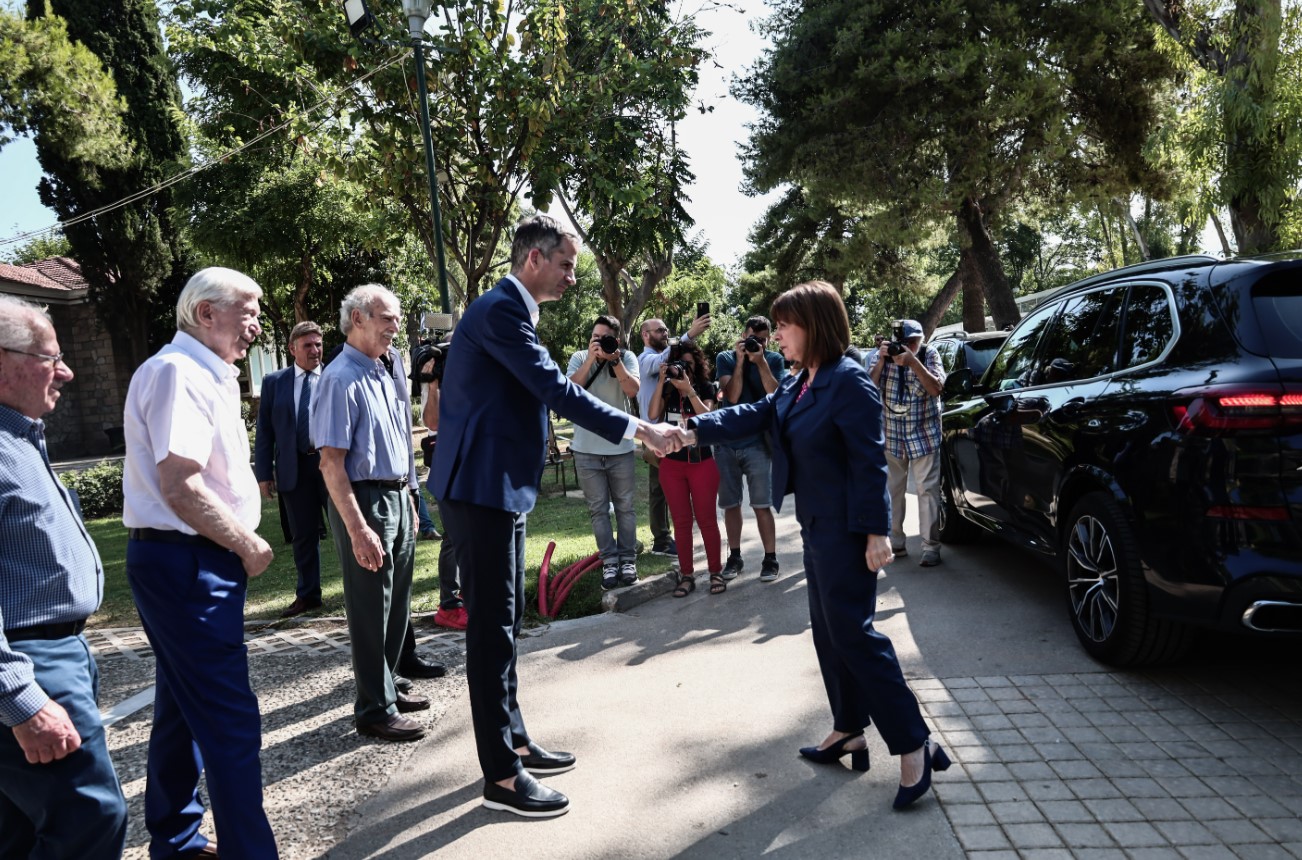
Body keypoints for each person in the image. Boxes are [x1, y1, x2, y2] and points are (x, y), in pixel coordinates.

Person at [431, 215, 679, 818]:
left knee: (507, 622)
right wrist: (641, 428)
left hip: (499, 488)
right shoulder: (500, 311)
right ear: (534, 259)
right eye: (566, 265)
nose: (572, 277)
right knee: (491, 631)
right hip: (479, 490)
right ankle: (501, 776)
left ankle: (514, 740)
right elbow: (557, 391)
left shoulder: (511, 312)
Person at [680, 281, 950, 810]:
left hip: (848, 530)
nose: (777, 334)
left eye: (785, 325)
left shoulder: (848, 380)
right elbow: (754, 414)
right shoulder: (801, 381)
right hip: (818, 525)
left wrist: (877, 532)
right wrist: (691, 431)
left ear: (815, 326)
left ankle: (913, 741)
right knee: (829, 633)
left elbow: (869, 460)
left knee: (855, 635)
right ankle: (848, 729)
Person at [122, 267, 278, 857]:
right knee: (229, 719)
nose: (256, 325)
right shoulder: (179, 373)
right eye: (248, 311)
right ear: (205, 313)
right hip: (189, 561)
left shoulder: (201, 372)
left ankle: (177, 837)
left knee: (181, 708)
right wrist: (247, 543)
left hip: (186, 559)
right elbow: (181, 486)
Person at [0, 296, 128, 859]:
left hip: (57, 651)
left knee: (18, 831)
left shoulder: (19, 436)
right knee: (90, 817)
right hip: (29, 659)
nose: (67, 372)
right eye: (50, 358)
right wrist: (20, 698)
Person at [311, 285, 436, 743]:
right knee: (369, 608)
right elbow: (331, 463)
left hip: (396, 496)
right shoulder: (339, 378)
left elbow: (399, 443)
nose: (395, 327)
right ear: (358, 318)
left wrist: (410, 498)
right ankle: (374, 710)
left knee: (395, 604)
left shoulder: (382, 370)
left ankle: (387, 687)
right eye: (387, 318)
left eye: (397, 318)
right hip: (364, 501)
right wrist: (358, 527)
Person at [255, 320, 330, 618]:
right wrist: (264, 474)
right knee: (303, 536)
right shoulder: (274, 383)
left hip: (332, 466)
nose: (315, 350)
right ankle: (308, 595)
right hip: (294, 467)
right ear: (292, 349)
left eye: (318, 344)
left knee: (347, 530)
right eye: (308, 345)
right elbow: (265, 431)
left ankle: (359, 590)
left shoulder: (334, 377)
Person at [565, 315, 641, 590]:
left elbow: (632, 391)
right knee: (598, 510)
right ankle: (610, 561)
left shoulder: (627, 358)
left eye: (604, 338)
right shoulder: (579, 357)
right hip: (586, 449)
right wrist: (590, 359)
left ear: (616, 340)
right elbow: (569, 390)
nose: (598, 342)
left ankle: (628, 559)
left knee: (625, 507)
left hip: (620, 448)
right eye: (594, 337)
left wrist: (615, 361)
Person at [866, 319, 947, 567]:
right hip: (892, 433)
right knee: (893, 491)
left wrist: (913, 362)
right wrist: (881, 361)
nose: (910, 346)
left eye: (915, 341)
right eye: (906, 342)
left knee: (928, 490)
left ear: (921, 339)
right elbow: (866, 389)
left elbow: (936, 388)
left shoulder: (929, 354)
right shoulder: (882, 355)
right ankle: (896, 542)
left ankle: (930, 547)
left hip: (924, 433)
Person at [647, 340, 724, 596]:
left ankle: (715, 572)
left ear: (697, 365)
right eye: (679, 364)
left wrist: (689, 390)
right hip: (672, 465)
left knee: (707, 520)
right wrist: (661, 382)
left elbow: (707, 419)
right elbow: (652, 414)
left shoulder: (705, 387)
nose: (684, 368)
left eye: (689, 364)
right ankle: (687, 575)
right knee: (681, 522)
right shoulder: (668, 389)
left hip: (702, 463)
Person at [713, 315, 787, 582]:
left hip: (758, 443)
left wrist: (761, 361)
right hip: (727, 443)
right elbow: (731, 396)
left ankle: (770, 558)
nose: (759, 343)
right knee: (731, 505)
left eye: (764, 339)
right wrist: (741, 361)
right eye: (754, 338)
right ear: (743, 336)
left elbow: (776, 395)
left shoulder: (774, 360)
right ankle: (734, 557)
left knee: (761, 504)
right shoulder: (726, 358)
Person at [636, 312, 710, 558]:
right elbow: (663, 359)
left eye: (666, 330)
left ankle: (674, 537)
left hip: (670, 432)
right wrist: (690, 334)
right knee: (659, 489)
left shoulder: (667, 361)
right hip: (653, 434)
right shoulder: (645, 359)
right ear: (645, 335)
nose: (665, 333)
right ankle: (661, 540)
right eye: (659, 330)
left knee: (672, 488)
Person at [419, 362, 467, 630]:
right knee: (453, 536)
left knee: (474, 533)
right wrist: (433, 383)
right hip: (446, 466)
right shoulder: (433, 378)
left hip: (474, 462)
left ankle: (468, 597)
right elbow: (432, 421)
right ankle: (449, 605)